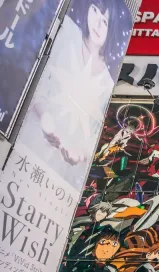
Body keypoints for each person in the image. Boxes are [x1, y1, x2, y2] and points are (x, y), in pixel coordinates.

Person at [18, 0, 128, 188]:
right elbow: (35, 78)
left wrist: (79, 154)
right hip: (25, 141)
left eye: (105, 21)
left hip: (60, 175)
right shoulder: (67, 32)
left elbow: (92, 138)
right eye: (94, 11)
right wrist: (45, 116)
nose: (97, 24)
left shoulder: (108, 81)